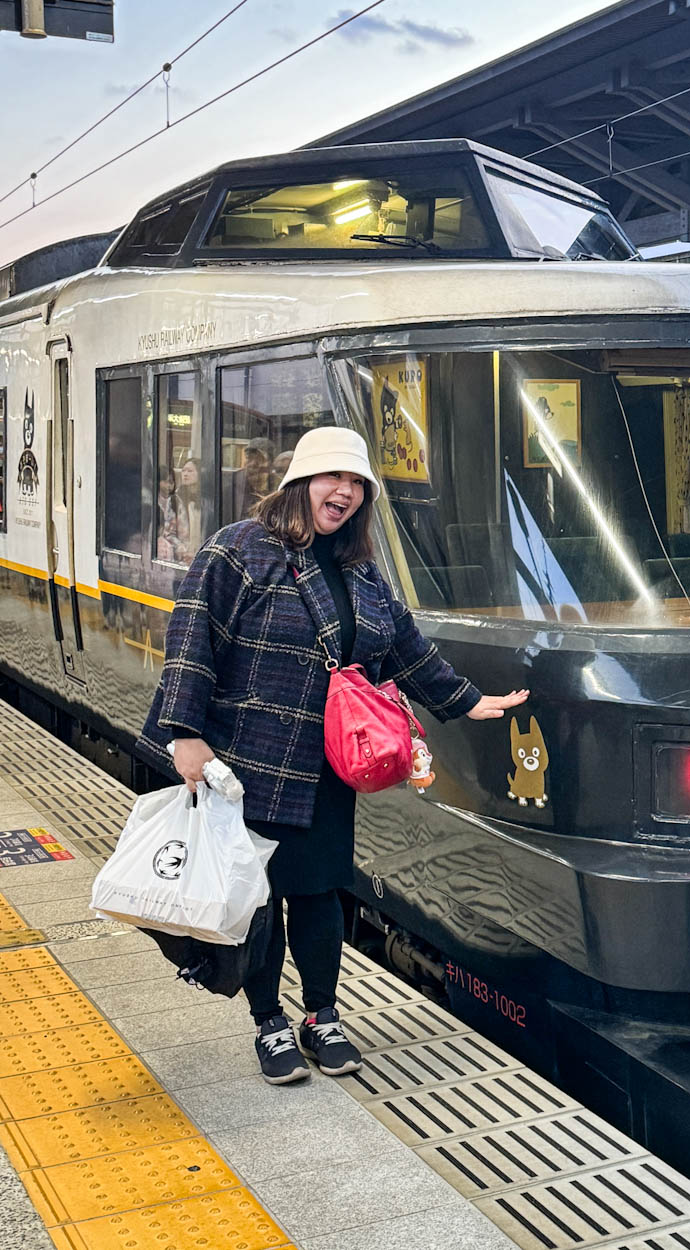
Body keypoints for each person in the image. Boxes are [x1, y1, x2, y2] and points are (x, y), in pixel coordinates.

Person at [138, 427, 528, 1085]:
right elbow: (190, 639)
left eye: (356, 485)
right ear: (302, 482)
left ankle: (322, 1015)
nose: (344, 493)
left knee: (319, 896)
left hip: (321, 770)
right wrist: (185, 734)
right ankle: (269, 1023)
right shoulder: (237, 551)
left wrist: (467, 702)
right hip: (244, 764)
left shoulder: (361, 571)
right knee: (255, 901)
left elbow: (405, 649)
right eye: (332, 479)